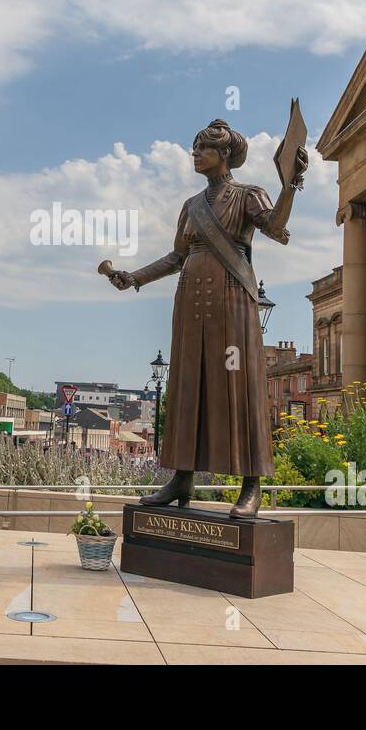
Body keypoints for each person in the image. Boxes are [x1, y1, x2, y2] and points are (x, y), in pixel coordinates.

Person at [106, 119, 305, 518]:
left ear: (225, 155)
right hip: (190, 304)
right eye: (194, 148)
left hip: (232, 301)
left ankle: (252, 485)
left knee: (239, 385)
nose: (194, 154)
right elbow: (176, 258)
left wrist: (290, 186)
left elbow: (276, 227)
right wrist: (134, 278)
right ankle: (181, 478)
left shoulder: (248, 195)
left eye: (203, 149)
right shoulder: (191, 206)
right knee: (186, 385)